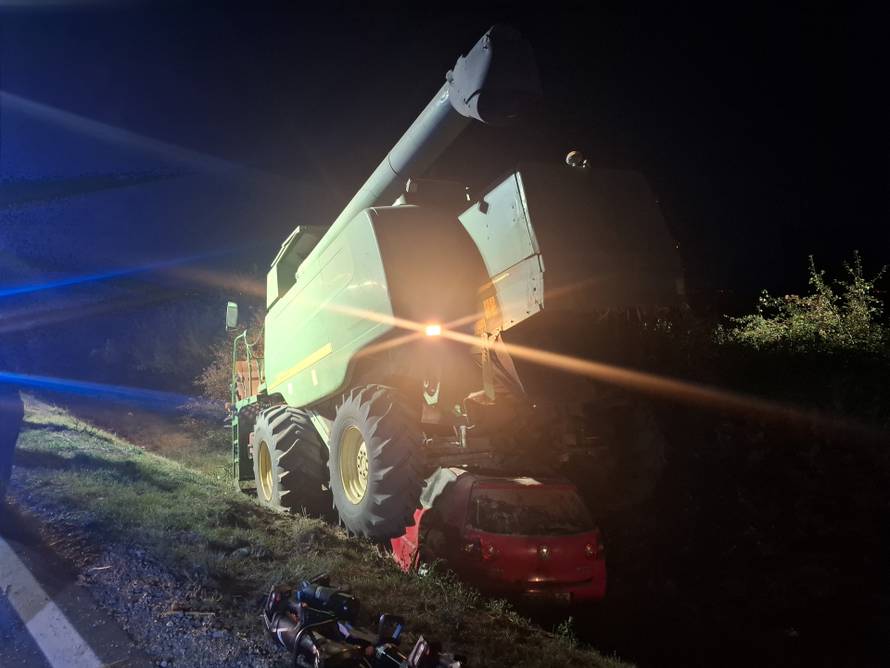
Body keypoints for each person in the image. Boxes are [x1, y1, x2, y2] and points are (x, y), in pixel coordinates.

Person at [0, 377, 24, 501]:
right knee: (7, 451)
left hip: (9, 403)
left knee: (5, 450)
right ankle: (2, 492)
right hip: (14, 403)